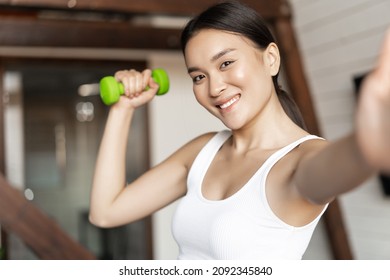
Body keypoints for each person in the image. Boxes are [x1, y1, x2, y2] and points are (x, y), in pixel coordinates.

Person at [89, 1, 390, 259]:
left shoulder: (300, 160)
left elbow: (339, 165)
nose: (214, 87)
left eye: (226, 63)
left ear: (270, 59)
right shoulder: (203, 151)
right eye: (198, 77)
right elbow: (106, 211)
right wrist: (123, 109)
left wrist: (368, 146)